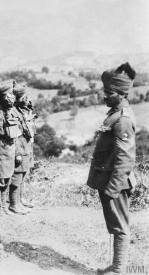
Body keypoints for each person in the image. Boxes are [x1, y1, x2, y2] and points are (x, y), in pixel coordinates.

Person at [87, 63, 137, 275]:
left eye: (109, 92)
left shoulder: (122, 119)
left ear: (122, 94)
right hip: (109, 179)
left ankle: (118, 270)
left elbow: (125, 158)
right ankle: (116, 267)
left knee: (119, 226)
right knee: (115, 224)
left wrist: (113, 188)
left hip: (116, 181)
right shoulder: (115, 113)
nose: (104, 95)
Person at [0, 80, 22, 216]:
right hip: (0, 148)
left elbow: (17, 135)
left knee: (8, 179)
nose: (11, 98)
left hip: (11, 149)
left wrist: (18, 152)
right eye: (7, 95)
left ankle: (4, 206)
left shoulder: (12, 112)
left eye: (11, 95)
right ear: (1, 97)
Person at [10, 84, 35, 214]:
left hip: (25, 146)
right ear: (18, 98)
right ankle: (14, 204)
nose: (27, 99)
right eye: (24, 97)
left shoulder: (21, 110)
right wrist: (18, 152)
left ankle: (19, 201)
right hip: (19, 146)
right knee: (17, 176)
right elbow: (15, 134)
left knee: (23, 174)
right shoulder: (13, 112)